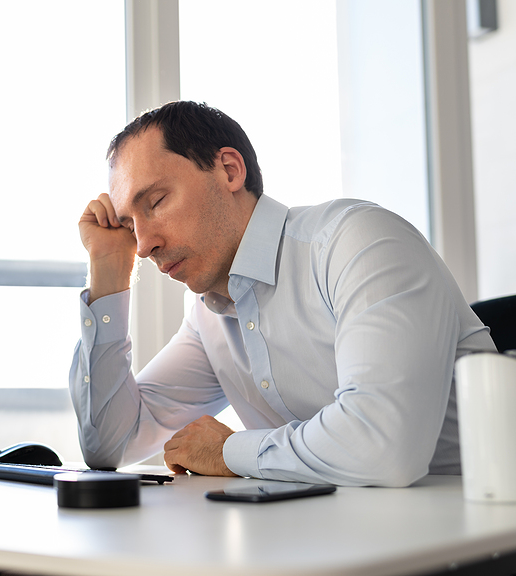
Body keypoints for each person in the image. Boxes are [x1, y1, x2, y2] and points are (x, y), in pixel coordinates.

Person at [70, 100, 494, 485]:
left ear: (230, 171)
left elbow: (383, 447)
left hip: (495, 556)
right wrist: (108, 273)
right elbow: (112, 445)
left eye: (157, 202)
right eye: (129, 224)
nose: (142, 245)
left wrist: (230, 451)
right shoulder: (208, 318)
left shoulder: (356, 243)